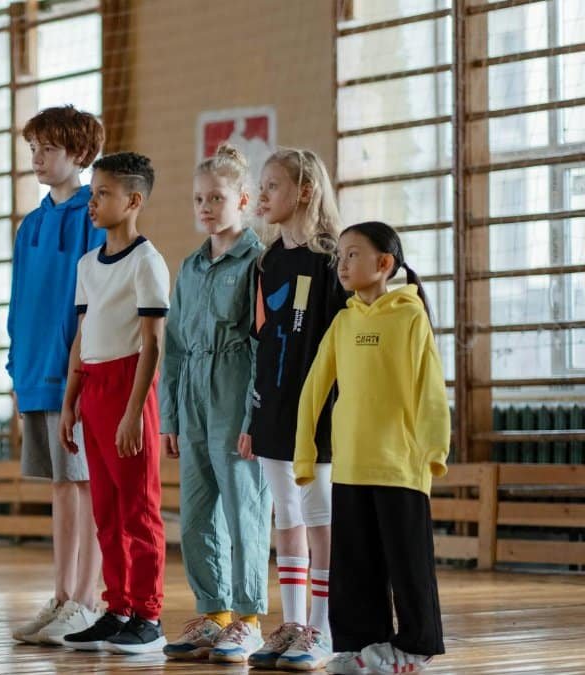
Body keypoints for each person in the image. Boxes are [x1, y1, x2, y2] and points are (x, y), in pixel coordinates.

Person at [297, 222, 448, 675]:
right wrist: (305, 453)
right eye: (339, 256)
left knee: (407, 564)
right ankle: (360, 643)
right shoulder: (343, 322)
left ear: (384, 264)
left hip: (401, 467)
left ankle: (415, 646)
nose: (342, 264)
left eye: (353, 255)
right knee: (354, 565)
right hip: (350, 468)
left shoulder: (410, 316)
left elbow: (431, 389)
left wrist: (432, 450)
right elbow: (313, 389)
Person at [159, 144, 270, 662]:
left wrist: (254, 417)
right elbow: (175, 347)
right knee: (198, 513)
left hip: (234, 397)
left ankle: (248, 618)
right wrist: (171, 417)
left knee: (246, 508)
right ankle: (215, 613)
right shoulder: (189, 267)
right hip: (194, 400)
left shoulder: (258, 264)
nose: (205, 207)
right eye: (198, 198)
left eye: (217, 197)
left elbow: (262, 348)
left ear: (243, 200)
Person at [58, 152, 170, 655]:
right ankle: (117, 606)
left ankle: (148, 614)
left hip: (129, 388)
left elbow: (153, 343)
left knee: (138, 510)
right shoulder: (87, 265)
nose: (92, 202)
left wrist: (132, 411)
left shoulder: (147, 262)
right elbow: (82, 336)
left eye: (102, 193)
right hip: (94, 389)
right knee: (105, 509)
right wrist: (70, 400)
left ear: (133, 200)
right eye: (92, 192)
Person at [241, 148, 347, 669]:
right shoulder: (267, 262)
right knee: (285, 515)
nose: (262, 196)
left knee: (318, 515)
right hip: (274, 410)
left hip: (319, 414)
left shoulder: (331, 261)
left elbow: (339, 345)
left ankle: (322, 630)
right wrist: (254, 418)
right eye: (260, 186)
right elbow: (264, 342)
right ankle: (292, 623)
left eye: (273, 186)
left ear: (304, 191)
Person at [8, 106, 108, 646]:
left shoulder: (92, 216)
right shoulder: (32, 223)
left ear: (79, 153)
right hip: (35, 374)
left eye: (48, 149)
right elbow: (20, 299)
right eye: (33, 150)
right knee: (60, 488)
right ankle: (62, 594)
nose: (38, 160)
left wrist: (81, 365)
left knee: (85, 485)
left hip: (77, 376)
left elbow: (96, 300)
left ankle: (88, 601)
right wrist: (15, 363)